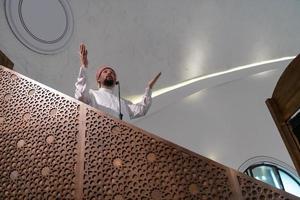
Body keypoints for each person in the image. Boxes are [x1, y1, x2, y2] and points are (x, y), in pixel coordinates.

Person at [75, 43, 161, 120]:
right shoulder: (92, 94)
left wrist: (149, 88)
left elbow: (142, 110)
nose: (109, 73)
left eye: (112, 73)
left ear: (115, 80)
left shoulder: (123, 102)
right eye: (105, 72)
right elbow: (81, 95)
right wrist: (84, 66)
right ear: (98, 79)